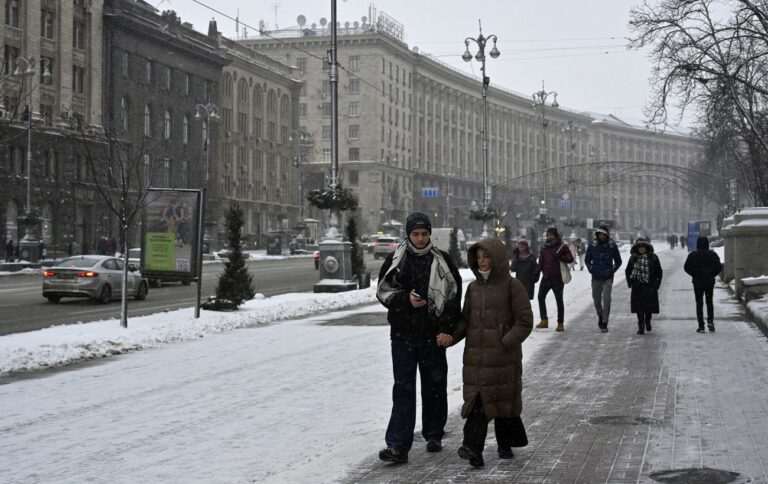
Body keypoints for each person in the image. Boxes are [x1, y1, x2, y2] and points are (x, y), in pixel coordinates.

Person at [376, 212, 462, 464]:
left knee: (434, 386)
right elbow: (384, 291)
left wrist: (447, 329)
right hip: (403, 335)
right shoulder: (397, 259)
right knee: (403, 388)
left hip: (432, 335)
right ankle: (398, 444)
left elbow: (453, 297)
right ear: (409, 234)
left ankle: (434, 432)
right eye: (416, 234)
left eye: (425, 234)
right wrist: (406, 300)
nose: (421, 238)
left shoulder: (442, 260)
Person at [451, 239, 532, 468]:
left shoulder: (512, 286)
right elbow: (465, 321)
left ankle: (505, 443)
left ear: (496, 258)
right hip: (476, 359)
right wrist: (451, 337)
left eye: (486, 257)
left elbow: (525, 322)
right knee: (478, 402)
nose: (482, 262)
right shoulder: (473, 288)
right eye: (478, 258)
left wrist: (505, 341)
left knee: (503, 403)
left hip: (503, 358)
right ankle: (473, 449)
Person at [535, 227, 574, 332]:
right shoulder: (544, 248)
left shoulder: (562, 247)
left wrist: (560, 257)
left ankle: (560, 323)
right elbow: (541, 262)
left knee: (559, 300)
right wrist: (537, 272)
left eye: (551, 235)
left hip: (557, 278)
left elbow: (570, 259)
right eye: (547, 235)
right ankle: (544, 320)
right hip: (546, 277)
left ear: (556, 236)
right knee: (540, 297)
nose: (548, 237)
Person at [585, 225, 623, 332]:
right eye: (600, 234)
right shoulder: (592, 245)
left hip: (607, 277)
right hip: (596, 276)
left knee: (607, 300)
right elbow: (587, 260)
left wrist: (612, 271)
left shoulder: (612, 246)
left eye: (604, 234)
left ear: (607, 235)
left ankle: (605, 322)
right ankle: (600, 315)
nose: (602, 236)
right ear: (597, 235)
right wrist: (591, 269)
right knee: (596, 300)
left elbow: (618, 261)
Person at [684, 236, 723, 333]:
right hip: (709, 281)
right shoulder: (712, 254)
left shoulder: (693, 255)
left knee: (699, 303)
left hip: (698, 282)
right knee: (709, 302)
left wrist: (694, 274)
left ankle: (701, 325)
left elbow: (686, 267)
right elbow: (719, 267)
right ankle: (710, 321)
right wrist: (712, 274)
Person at [625, 237, 663, 335]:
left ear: (647, 247)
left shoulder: (653, 257)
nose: (641, 249)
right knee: (639, 308)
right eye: (639, 247)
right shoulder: (633, 258)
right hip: (637, 286)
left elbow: (659, 271)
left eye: (643, 247)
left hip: (650, 286)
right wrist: (630, 283)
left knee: (648, 308)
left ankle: (648, 321)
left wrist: (657, 284)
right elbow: (628, 270)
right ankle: (641, 325)